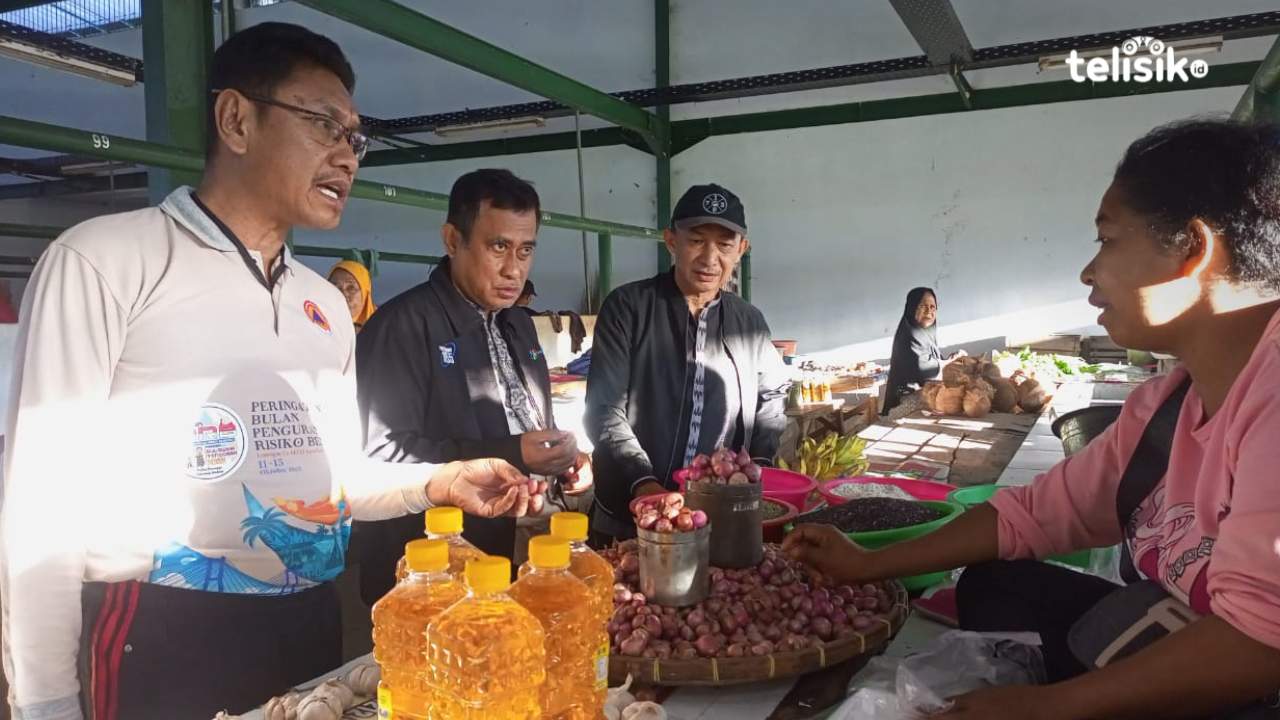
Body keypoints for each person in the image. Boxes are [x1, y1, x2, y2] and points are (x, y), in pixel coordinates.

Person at [0, 24, 542, 720]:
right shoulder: (110, 263)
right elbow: (43, 505)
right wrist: (47, 703)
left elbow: (330, 481)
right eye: (323, 124)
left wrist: (439, 480)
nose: (347, 155)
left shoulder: (319, 304)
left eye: (355, 137)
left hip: (311, 627)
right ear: (236, 119)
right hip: (166, 632)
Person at [785, 119, 1280, 720]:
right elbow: (1037, 514)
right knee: (996, 584)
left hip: (1250, 675)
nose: (1088, 274)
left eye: (1108, 240)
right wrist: (867, 565)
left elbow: (1259, 643)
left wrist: (1048, 707)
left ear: (1192, 250)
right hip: (1178, 625)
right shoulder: (1171, 404)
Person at [354, 169, 592, 603]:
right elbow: (382, 457)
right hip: (431, 572)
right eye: (497, 246)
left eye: (525, 250)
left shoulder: (518, 324)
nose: (513, 269)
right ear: (452, 240)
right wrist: (512, 452)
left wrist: (564, 461)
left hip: (512, 548)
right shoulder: (401, 328)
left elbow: (535, 423)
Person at [586, 183, 790, 543]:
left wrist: (758, 467)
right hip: (629, 513)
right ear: (671, 241)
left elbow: (772, 394)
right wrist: (642, 482)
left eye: (724, 244)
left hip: (713, 515)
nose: (710, 258)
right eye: (696, 240)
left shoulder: (749, 322)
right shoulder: (628, 307)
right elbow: (604, 408)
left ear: (741, 249)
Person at [881, 286, 965, 416]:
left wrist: (948, 360)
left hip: (922, 394)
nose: (929, 311)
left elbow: (930, 359)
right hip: (904, 402)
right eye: (923, 306)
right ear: (912, 308)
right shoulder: (908, 336)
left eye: (933, 307)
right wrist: (948, 362)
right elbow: (923, 369)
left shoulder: (925, 333)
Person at [328, 258, 376, 330]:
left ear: (365, 294)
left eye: (351, 288)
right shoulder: (314, 326)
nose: (343, 295)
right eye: (335, 288)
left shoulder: (382, 329)